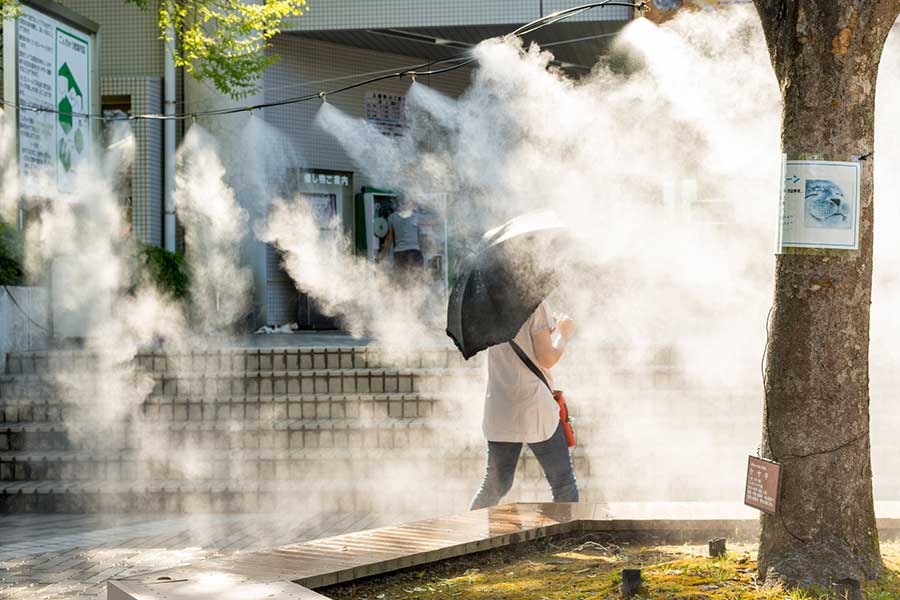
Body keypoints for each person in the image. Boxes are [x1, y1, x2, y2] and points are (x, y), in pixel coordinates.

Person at [469, 301, 579, 510]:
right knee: (563, 483)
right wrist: (563, 333)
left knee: (494, 486)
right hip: (534, 405)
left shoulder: (488, 306)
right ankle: (566, 542)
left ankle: (470, 537)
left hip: (500, 403)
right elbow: (547, 358)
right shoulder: (533, 303)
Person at [376, 195, 424, 282]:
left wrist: (381, 255)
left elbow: (388, 239)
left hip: (400, 254)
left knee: (402, 281)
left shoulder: (392, 217)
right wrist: (442, 217)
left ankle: (403, 295)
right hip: (414, 252)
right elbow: (430, 222)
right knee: (418, 281)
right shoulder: (416, 217)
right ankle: (416, 295)